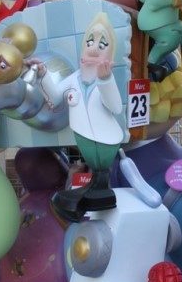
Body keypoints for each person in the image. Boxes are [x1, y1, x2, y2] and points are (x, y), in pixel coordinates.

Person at [35, 11, 126, 221]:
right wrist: (43, 75)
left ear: (109, 55)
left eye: (102, 45)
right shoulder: (74, 79)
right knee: (93, 164)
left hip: (106, 139)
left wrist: (105, 80)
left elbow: (115, 107)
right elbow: (55, 97)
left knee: (101, 166)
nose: (93, 49)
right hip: (82, 134)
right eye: (90, 42)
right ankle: (94, 187)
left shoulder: (105, 79)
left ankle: (99, 188)